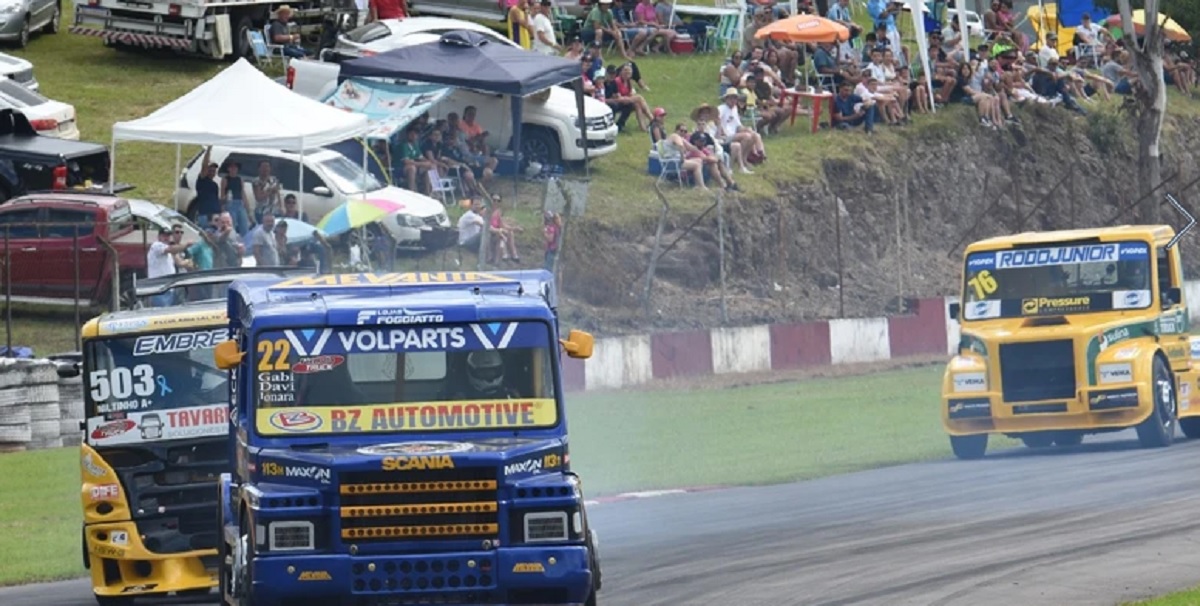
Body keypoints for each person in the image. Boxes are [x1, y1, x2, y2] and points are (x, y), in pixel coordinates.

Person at [449, 350, 521, 400]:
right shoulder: (461, 397)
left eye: (492, 372)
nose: (489, 377)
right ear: (471, 371)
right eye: (483, 373)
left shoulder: (510, 393)